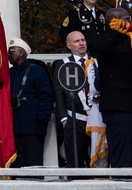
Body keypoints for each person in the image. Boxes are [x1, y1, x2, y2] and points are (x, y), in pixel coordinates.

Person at [88, 7, 132, 168]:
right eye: (127, 19)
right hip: (119, 108)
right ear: (115, 22)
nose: (131, 23)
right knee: (122, 157)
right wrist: (121, 31)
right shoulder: (106, 42)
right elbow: (99, 48)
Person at [7, 37, 53, 167]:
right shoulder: (9, 73)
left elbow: (47, 96)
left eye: (11, 51)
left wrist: (42, 120)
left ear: (21, 53)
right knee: (17, 165)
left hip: (33, 127)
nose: (8, 55)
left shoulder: (36, 71)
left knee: (33, 165)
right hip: (14, 127)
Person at [52, 30, 91, 168]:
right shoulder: (62, 64)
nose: (81, 43)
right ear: (69, 45)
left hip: (98, 117)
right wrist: (63, 118)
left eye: (83, 40)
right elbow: (58, 93)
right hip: (74, 119)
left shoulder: (96, 61)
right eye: (76, 41)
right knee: (75, 162)